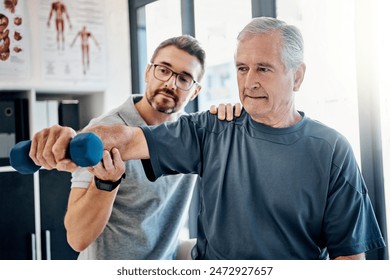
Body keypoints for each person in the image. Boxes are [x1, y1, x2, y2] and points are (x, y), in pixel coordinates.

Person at [29, 17, 385, 259]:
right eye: (242, 69)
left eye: (263, 68)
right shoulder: (208, 129)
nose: (249, 82)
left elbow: (350, 256)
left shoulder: (331, 149)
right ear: (148, 70)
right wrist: (74, 140)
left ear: (297, 76)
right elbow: (124, 138)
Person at [29, 35, 240, 260]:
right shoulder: (105, 131)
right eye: (163, 70)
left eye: (184, 78)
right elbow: (77, 238)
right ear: (148, 73)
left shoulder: (193, 136)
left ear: (195, 91)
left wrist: (233, 118)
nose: (170, 83)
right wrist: (106, 184)